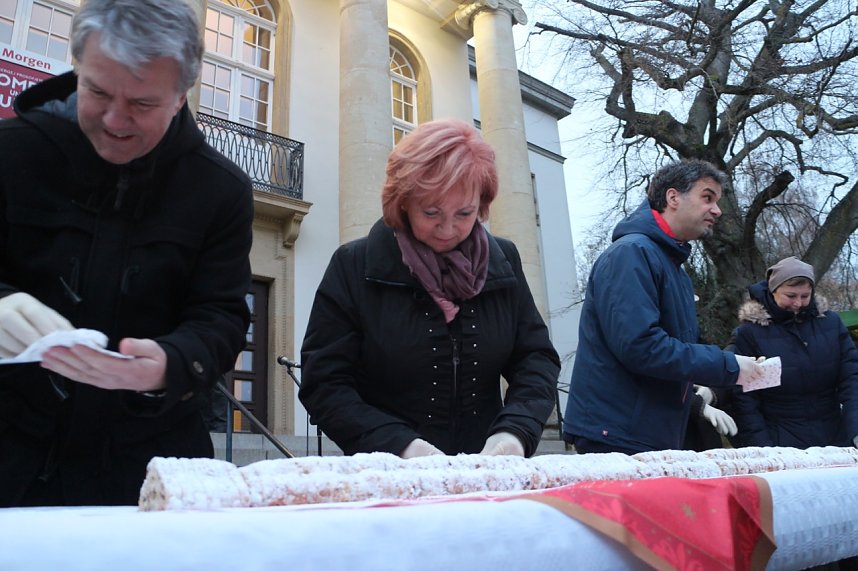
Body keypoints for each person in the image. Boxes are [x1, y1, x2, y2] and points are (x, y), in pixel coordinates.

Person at [0, 0, 253, 506]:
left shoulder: (221, 189)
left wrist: (170, 364)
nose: (115, 120)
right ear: (77, 68)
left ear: (181, 96)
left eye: (141, 104)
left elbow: (221, 316)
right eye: (96, 90)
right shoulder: (10, 151)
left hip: (149, 468)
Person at [299, 118, 560, 458]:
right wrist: (400, 446)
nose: (448, 228)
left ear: (481, 205)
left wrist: (514, 432)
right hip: (391, 474)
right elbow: (325, 383)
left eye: (464, 213)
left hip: (485, 472)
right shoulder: (354, 265)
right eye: (431, 211)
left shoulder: (503, 260)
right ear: (402, 202)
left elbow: (535, 358)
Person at [562, 159, 764, 454]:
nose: (717, 210)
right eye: (707, 197)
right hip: (618, 435)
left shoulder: (671, 267)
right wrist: (728, 365)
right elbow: (641, 347)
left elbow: (679, 345)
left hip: (645, 430)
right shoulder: (631, 254)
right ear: (673, 198)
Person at [730, 256, 858, 448]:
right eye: (790, 296)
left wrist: (855, 429)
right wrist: (762, 446)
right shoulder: (749, 333)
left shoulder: (831, 323)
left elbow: (851, 378)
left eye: (805, 296)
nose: (798, 303)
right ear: (774, 291)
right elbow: (744, 398)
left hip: (835, 434)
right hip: (780, 438)